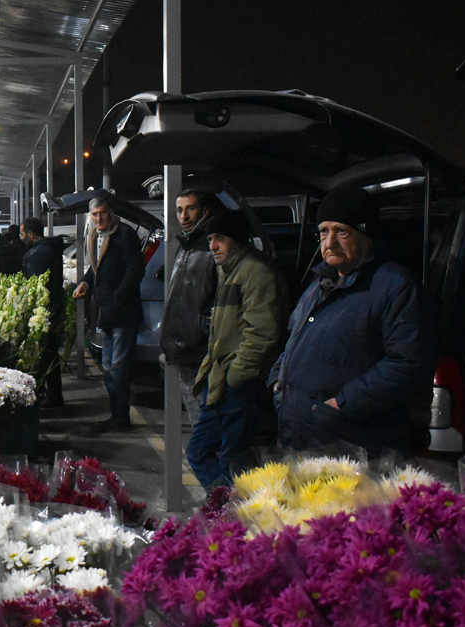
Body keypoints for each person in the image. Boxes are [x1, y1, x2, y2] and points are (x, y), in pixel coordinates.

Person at [270, 184, 436, 456]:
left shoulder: (395, 287)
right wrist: (277, 381)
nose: (330, 242)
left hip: (354, 443)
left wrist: (343, 404)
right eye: (324, 231)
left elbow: (408, 363)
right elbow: (294, 340)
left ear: (366, 234)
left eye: (342, 231)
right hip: (303, 437)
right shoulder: (319, 286)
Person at [186, 211, 288, 487]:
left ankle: (234, 518)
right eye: (209, 239)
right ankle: (226, 510)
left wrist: (237, 374)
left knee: (232, 460)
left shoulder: (256, 272)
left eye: (220, 238)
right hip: (221, 380)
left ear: (238, 239)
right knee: (198, 452)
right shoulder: (229, 270)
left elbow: (264, 333)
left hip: (239, 384)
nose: (212, 246)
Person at [73, 194, 145, 431]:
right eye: (94, 214)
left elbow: (136, 270)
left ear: (112, 212)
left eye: (102, 213)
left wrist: (118, 298)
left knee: (118, 370)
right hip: (105, 315)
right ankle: (118, 414)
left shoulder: (125, 235)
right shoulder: (96, 236)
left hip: (123, 315)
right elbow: (97, 270)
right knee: (109, 370)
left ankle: (121, 417)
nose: (98, 218)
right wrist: (86, 282)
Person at [160, 189, 223, 427]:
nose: (184, 216)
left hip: (199, 350)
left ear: (205, 211)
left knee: (204, 427)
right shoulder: (187, 245)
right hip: (186, 347)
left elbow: (220, 298)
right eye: (179, 210)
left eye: (190, 208)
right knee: (199, 422)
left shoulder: (210, 247)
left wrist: (202, 329)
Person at [21, 217, 66, 407]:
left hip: (45, 309)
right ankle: (55, 395)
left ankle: (47, 396)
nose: (22, 238)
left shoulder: (39, 254)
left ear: (31, 235)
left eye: (23, 234)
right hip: (55, 305)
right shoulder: (50, 248)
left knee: (44, 352)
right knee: (50, 352)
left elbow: (36, 286)